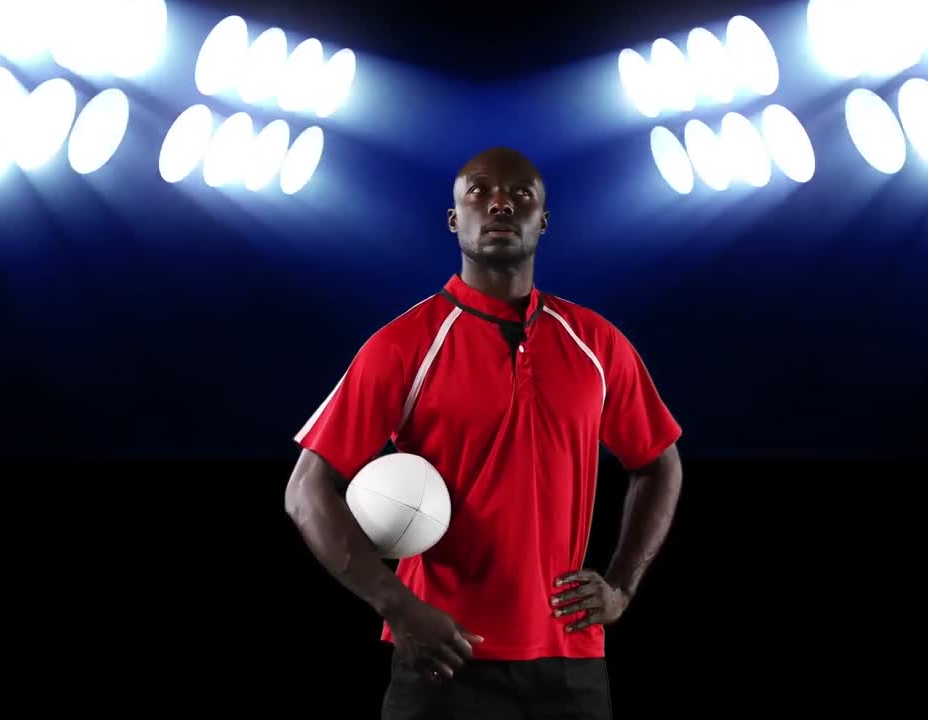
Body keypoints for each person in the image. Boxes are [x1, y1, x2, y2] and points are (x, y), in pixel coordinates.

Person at [283, 147, 683, 719]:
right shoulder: (403, 346)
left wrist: (620, 586)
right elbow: (305, 490)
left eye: (522, 195)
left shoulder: (596, 344)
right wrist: (398, 606)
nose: (500, 202)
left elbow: (659, 462)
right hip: (441, 657)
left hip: (570, 662)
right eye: (478, 191)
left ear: (542, 221)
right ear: (454, 220)